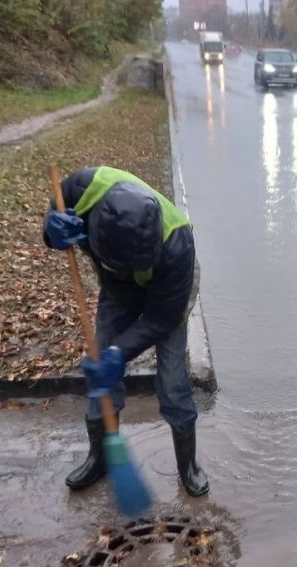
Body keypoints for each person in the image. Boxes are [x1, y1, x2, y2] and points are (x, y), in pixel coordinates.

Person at [42, 166, 209, 497]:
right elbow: (54, 213)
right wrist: (51, 231)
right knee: (100, 377)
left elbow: (162, 318)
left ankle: (187, 465)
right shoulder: (81, 190)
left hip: (168, 293)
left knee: (172, 380)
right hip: (117, 291)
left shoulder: (177, 245)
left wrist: (120, 353)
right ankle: (100, 457)